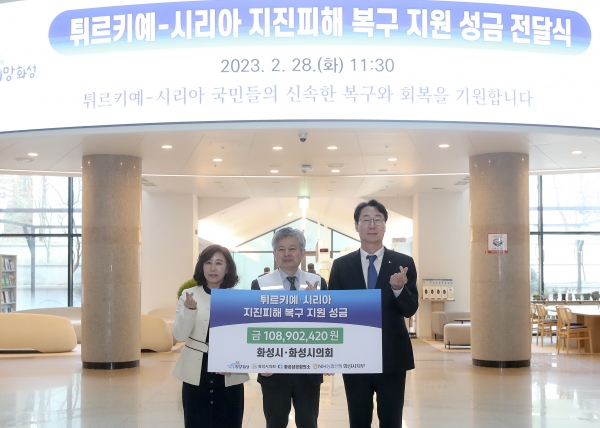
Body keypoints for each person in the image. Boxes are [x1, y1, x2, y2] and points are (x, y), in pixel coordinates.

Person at [328, 199, 418, 428]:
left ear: (385, 225)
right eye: (365, 219)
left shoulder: (403, 263)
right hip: (354, 355)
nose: (372, 224)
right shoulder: (341, 265)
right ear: (356, 226)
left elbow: (410, 309)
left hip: (392, 356)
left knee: (391, 419)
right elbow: (332, 312)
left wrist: (399, 289)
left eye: (378, 219)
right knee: (358, 419)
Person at [251, 227, 327, 428]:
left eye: (292, 248)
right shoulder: (259, 284)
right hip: (272, 370)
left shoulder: (318, 283)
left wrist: (316, 304)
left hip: (309, 369)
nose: (287, 254)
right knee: (275, 423)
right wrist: (259, 362)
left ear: (302, 252)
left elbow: (328, 325)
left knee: (308, 423)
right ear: (274, 254)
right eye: (281, 249)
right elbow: (254, 326)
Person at [172, 244, 249, 428]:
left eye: (219, 263)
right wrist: (189, 312)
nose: (213, 268)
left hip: (229, 371)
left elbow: (245, 339)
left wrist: (234, 360)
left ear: (227, 268)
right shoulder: (189, 295)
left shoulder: (237, 298)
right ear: (202, 266)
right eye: (208, 262)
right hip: (196, 371)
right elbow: (179, 335)